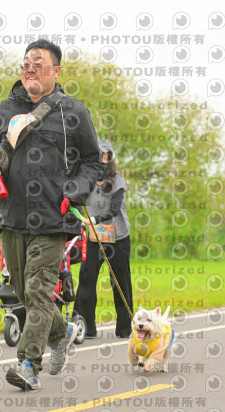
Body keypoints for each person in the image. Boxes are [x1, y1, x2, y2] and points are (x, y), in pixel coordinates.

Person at [0, 39, 104, 390]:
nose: (30, 68)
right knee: (23, 291)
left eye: (38, 63)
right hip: (13, 216)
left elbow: (92, 161)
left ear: (56, 71)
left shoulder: (73, 112)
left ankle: (28, 365)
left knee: (38, 289)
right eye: (26, 64)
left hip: (54, 216)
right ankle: (62, 332)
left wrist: (74, 191)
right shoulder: (4, 110)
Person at [73, 139, 133, 339]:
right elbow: (76, 202)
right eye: (97, 156)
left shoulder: (118, 180)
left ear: (109, 159)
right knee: (86, 278)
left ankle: (124, 328)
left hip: (118, 237)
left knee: (120, 282)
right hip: (94, 237)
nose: (100, 160)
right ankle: (85, 327)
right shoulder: (86, 180)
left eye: (104, 157)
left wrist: (94, 220)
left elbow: (114, 209)